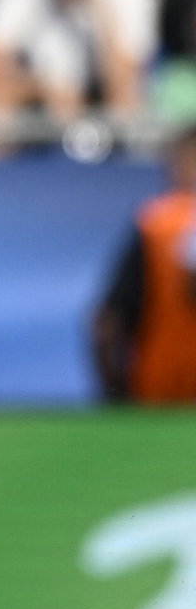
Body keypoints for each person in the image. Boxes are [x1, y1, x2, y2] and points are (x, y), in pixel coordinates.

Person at [0, 0, 160, 137]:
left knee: (125, 100)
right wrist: (40, 88)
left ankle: (122, 160)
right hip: (43, 102)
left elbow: (124, 77)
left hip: (108, 100)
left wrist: (99, 5)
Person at [91, 125, 196, 404]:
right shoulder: (156, 223)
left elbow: (106, 326)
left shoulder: (156, 224)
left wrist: (113, 395)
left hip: (158, 393)